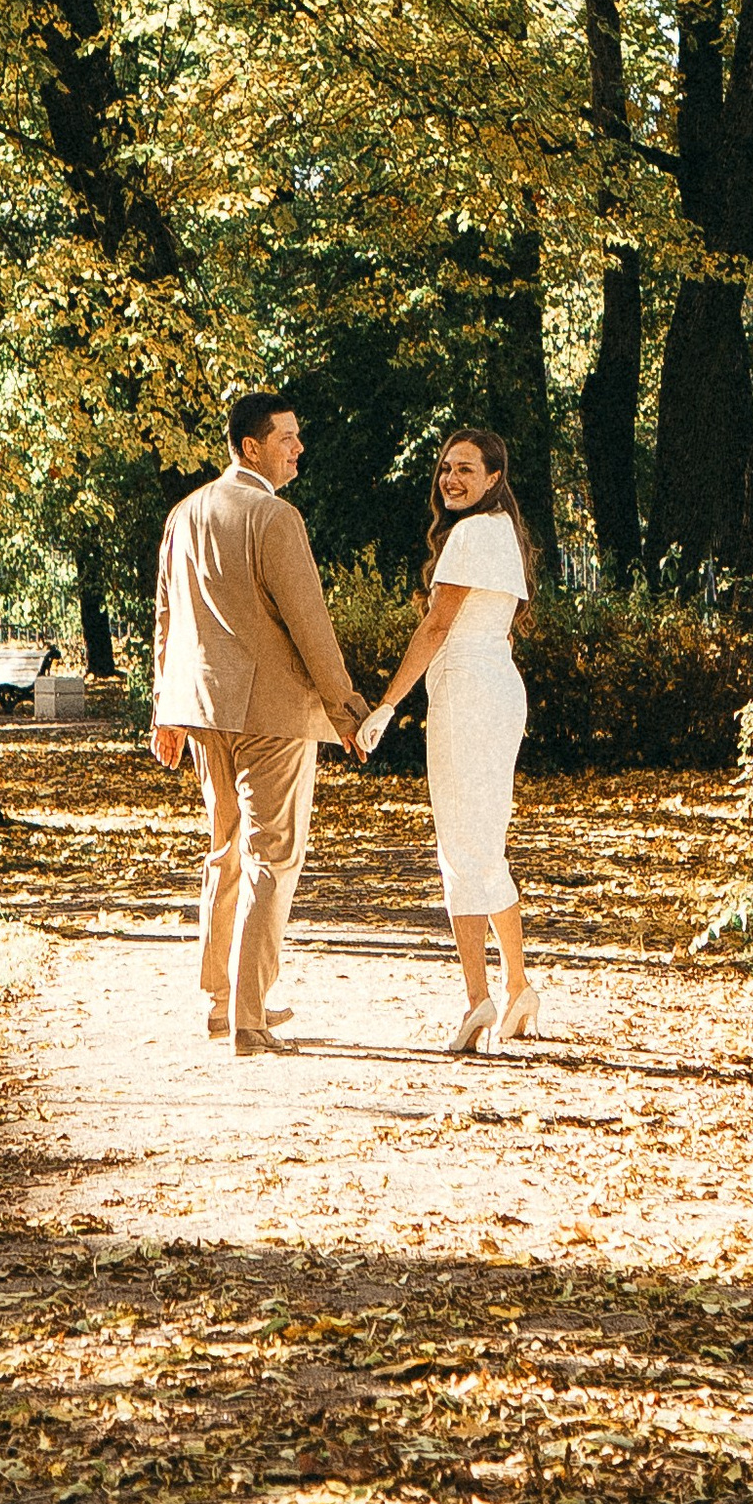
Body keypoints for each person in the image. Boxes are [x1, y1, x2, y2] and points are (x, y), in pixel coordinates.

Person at [152, 394, 369, 1055]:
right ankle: (249, 1018)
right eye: (287, 438)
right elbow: (311, 628)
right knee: (272, 857)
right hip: (272, 715)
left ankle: (223, 1004)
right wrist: (349, 713)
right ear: (251, 447)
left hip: (203, 712)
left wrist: (166, 712)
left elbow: (167, 619)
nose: (298, 448)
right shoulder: (275, 517)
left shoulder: (184, 513)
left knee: (226, 851)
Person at [358, 424, 539, 1051]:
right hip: (494, 685)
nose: (451, 479)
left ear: (493, 478)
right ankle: (517, 986)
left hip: (467, 689)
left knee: (462, 844)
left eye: (466, 469)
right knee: (485, 839)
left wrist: (385, 705)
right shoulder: (502, 534)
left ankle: (477, 1000)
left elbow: (436, 627)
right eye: (445, 469)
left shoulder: (470, 535)